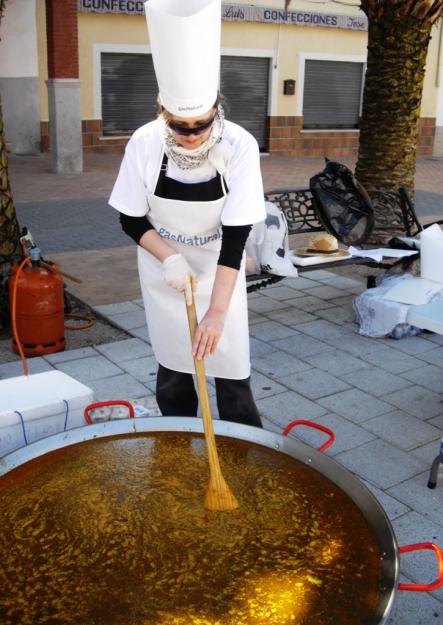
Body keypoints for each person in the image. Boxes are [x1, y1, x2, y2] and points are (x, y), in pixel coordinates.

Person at [109, 0, 265, 428]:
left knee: (231, 370)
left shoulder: (240, 145)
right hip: (166, 272)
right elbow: (130, 218)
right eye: (181, 126)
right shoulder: (144, 143)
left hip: (220, 271)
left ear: (216, 111)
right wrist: (170, 258)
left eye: (202, 125)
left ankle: (245, 450)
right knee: (175, 369)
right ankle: (176, 441)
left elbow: (236, 233)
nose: (192, 135)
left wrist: (216, 311)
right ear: (163, 113)